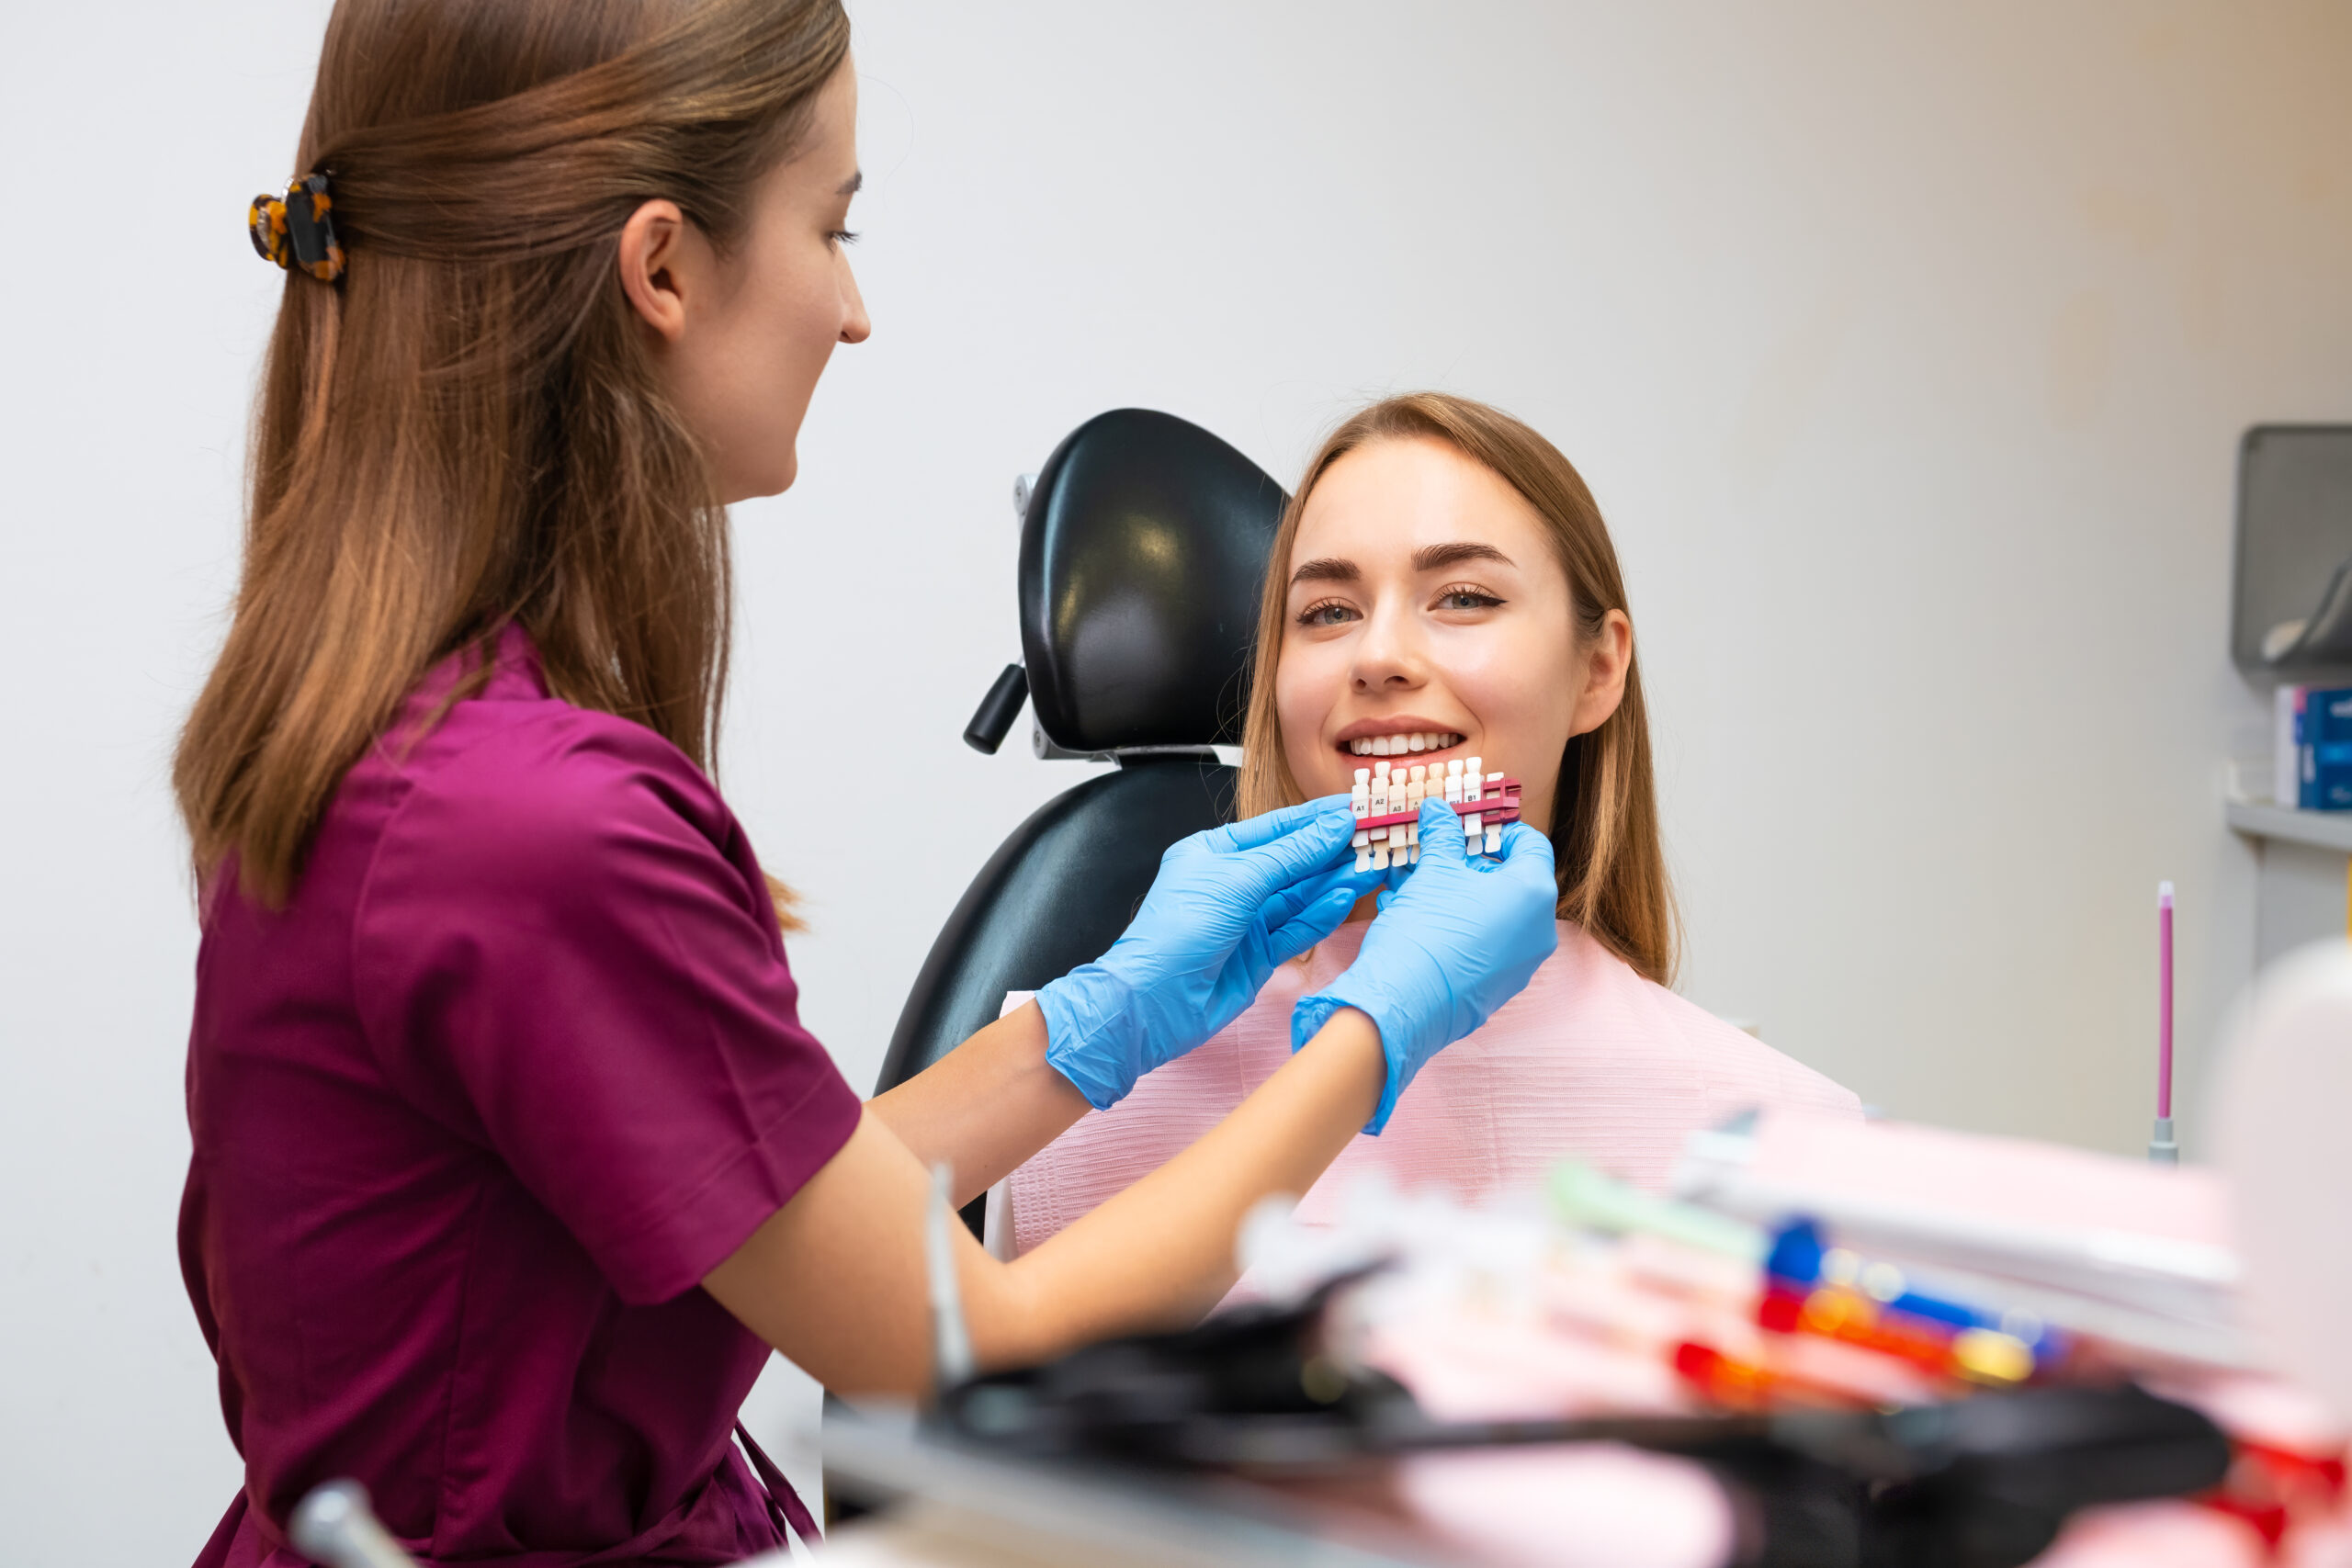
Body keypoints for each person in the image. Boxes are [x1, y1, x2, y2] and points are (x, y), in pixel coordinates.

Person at [174, 8, 1561, 1564]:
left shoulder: (415, 740)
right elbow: (973, 1338)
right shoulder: (535, 826)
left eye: (1466, 599)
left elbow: (752, 1211)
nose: (852, 310)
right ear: (663, 268)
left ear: (1602, 664)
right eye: (831, 228)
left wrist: (1088, 1023)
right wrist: (1374, 1029)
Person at [1006, 394, 1860, 1259]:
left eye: (1462, 596)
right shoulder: (1054, 1101)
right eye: (1327, 612)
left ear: (1597, 669)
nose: (1377, 657)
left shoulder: (1788, 1141)